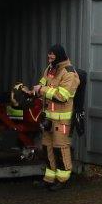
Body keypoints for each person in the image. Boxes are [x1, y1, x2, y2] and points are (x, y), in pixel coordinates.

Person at [35, 44, 81, 190]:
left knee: (60, 149)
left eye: (52, 56)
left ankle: (62, 180)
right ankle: (49, 178)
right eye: (49, 55)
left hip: (62, 120)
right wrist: (35, 90)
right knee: (47, 147)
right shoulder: (50, 69)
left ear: (59, 56)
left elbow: (62, 96)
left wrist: (42, 90)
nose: (49, 58)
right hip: (48, 118)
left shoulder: (69, 73)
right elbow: (42, 83)